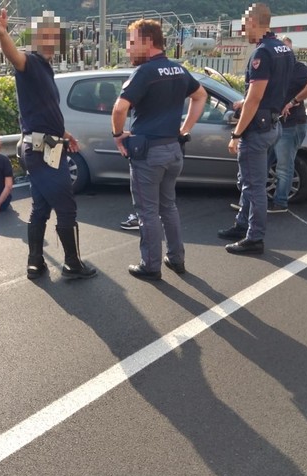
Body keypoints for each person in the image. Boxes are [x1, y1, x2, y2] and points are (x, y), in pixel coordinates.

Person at [0, 4, 96, 280]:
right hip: (42, 148)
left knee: (41, 206)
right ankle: (73, 264)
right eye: (45, 35)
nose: (51, 40)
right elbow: (15, 57)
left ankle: (35, 263)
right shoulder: (31, 61)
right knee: (66, 207)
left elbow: (47, 112)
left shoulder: (46, 69)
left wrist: (66, 133)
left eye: (56, 35)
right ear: (35, 38)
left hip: (46, 144)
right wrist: (2, 33)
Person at [111, 19, 207, 280]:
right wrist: (184, 129)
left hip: (149, 154)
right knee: (168, 207)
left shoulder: (144, 73)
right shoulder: (177, 69)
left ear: (147, 41)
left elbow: (119, 109)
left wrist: (118, 136)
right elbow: (200, 96)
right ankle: (176, 259)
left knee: (147, 212)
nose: (128, 49)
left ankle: (151, 265)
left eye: (131, 42)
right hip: (173, 150)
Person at [218, 2, 294, 255]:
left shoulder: (262, 53)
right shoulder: (285, 49)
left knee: (254, 186)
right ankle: (242, 225)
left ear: (253, 22)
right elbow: (279, 89)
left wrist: (236, 134)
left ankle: (254, 238)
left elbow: (254, 99)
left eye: (244, 26)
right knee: (250, 181)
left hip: (257, 130)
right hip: (273, 124)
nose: (243, 32)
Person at [269, 36, 307, 213]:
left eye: (287, 50)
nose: (284, 53)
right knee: (269, 162)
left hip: (291, 124)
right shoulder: (276, 69)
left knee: (284, 165)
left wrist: (293, 101)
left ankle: (280, 203)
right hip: (275, 124)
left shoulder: (297, 68)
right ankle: (255, 200)